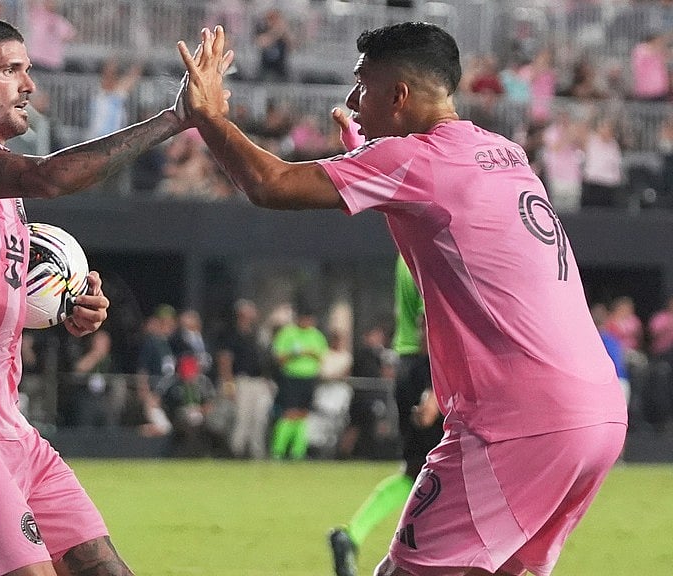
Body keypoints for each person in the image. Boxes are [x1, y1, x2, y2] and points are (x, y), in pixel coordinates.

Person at [178, 23, 627, 576]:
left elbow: (269, 183)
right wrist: (367, 158)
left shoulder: (414, 160)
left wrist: (208, 116)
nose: (351, 101)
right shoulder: (503, 152)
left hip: (518, 420)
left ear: (399, 95)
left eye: (362, 85)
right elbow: (433, 209)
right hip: (598, 414)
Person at [0, 16, 216, 576]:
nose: (28, 85)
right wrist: (174, 119)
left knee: (103, 568)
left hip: (6, 420)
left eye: (28, 70)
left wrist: (67, 309)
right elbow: (52, 178)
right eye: (11, 69)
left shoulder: (0, 197)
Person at [329, 256, 443, 576]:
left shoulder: (407, 252)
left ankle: (352, 535)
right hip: (429, 368)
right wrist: (435, 387)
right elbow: (430, 321)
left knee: (416, 473)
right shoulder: (429, 247)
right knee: (439, 474)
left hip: (412, 367)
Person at [216, 298, 275, 460]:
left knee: (259, 419)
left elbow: (264, 360)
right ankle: (236, 452)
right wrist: (229, 385)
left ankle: (257, 453)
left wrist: (267, 380)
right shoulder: (231, 334)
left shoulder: (257, 335)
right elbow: (225, 361)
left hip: (259, 382)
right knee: (242, 418)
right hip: (241, 381)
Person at [269, 302, 328, 460]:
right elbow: (279, 358)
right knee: (289, 414)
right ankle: (278, 450)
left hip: (309, 378)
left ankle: (298, 452)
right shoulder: (287, 334)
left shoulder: (316, 335)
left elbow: (321, 356)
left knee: (303, 415)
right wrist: (295, 354)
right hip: (291, 378)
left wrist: (310, 353)